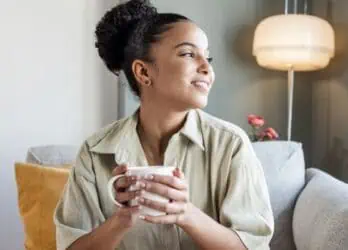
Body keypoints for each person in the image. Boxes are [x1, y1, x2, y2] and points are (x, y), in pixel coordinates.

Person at [54, 0, 274, 249]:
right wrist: (122, 219)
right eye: (189, 54)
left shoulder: (231, 144)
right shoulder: (94, 153)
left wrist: (186, 214)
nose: (207, 68)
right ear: (144, 73)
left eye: (207, 57)